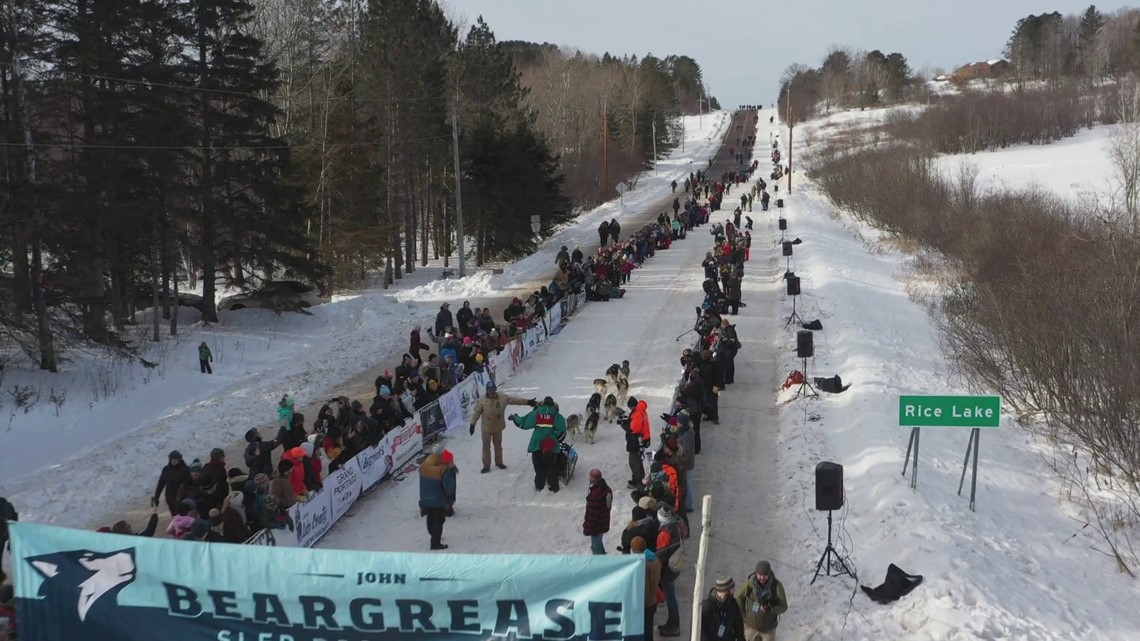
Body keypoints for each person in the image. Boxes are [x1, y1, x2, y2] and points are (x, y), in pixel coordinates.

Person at [470, 383, 535, 473]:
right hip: (486, 428)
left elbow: (515, 400)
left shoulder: (502, 397)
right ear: (487, 391)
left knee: (498, 446)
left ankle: (499, 462)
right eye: (490, 390)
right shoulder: (482, 400)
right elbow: (476, 412)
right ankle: (486, 465)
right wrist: (472, 424)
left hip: (498, 427)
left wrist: (528, 402)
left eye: (493, 390)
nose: (492, 392)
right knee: (486, 446)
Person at [509, 396, 568, 493]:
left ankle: (539, 485)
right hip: (550, 445)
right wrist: (556, 440)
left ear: (543, 403)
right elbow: (562, 432)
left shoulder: (536, 413)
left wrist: (515, 418)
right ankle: (553, 486)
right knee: (551, 467)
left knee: (538, 466)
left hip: (536, 444)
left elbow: (524, 423)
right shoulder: (557, 416)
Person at [736, 561, 788, 641]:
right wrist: (743, 615)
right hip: (751, 626)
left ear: (769, 574)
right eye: (759, 575)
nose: (762, 578)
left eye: (765, 576)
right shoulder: (750, 583)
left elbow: (783, 606)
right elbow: (739, 597)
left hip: (768, 629)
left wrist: (771, 609)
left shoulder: (777, 586)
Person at [419, 446, 456, 550]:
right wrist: (449, 499)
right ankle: (435, 543)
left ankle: (433, 535)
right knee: (439, 521)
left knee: (430, 518)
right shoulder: (444, 469)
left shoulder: (424, 466)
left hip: (425, 498)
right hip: (438, 500)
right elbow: (449, 486)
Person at [631, 535, 661, 637]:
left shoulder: (643, 564)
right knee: (649, 630)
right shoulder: (654, 558)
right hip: (653, 600)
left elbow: (644, 589)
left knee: (645, 633)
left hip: (646, 604)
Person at [152, 450, 194, 516]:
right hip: (170, 498)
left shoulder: (185, 469)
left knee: (184, 517)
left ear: (179, 459)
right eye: (172, 459)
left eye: (175, 458)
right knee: (175, 518)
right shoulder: (166, 470)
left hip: (182, 498)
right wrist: (156, 497)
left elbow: (190, 484)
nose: (173, 460)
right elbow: (161, 484)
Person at [582, 469, 613, 554]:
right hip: (603, 522)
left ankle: (600, 563)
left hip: (596, 526)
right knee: (598, 543)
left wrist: (587, 528)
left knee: (596, 547)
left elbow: (592, 515)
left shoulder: (595, 496)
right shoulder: (607, 489)